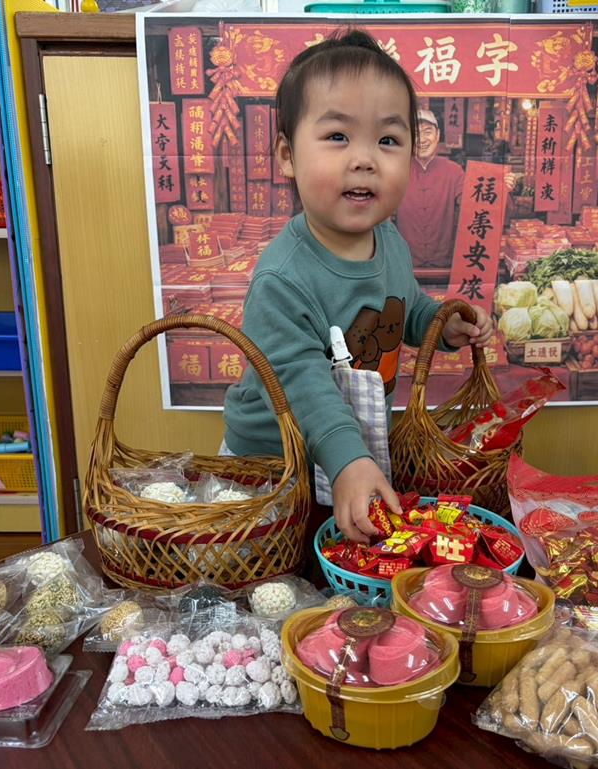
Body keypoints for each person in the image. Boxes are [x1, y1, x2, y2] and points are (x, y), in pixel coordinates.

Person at [222, 30, 493, 544]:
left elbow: (403, 308)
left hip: (351, 453)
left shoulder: (389, 241)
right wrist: (347, 459)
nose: (365, 159)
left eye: (388, 140)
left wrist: (440, 324)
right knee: (272, 563)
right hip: (274, 464)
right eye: (338, 137)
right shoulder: (282, 278)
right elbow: (301, 381)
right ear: (287, 155)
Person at [394, 109, 466, 271]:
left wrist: (501, 189)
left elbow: (473, 205)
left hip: (444, 264)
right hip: (405, 264)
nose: (422, 139)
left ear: (438, 135)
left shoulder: (454, 171)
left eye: (428, 132)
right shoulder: (396, 171)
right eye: (416, 133)